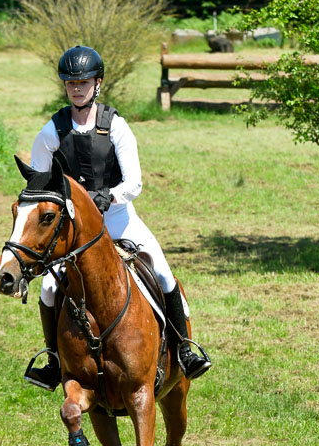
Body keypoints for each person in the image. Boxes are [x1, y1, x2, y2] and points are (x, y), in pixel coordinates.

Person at [25, 44, 211, 390]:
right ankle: (53, 360)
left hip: (119, 218)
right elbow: (38, 184)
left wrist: (108, 196)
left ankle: (185, 350)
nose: (76, 89)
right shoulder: (51, 132)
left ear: (97, 83)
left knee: (162, 272)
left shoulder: (117, 126)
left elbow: (134, 182)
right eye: (70, 83)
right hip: (75, 228)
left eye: (83, 82)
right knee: (50, 287)